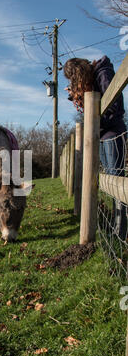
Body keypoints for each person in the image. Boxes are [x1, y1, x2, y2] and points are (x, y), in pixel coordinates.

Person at [63, 55, 127, 241]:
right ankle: (118, 225)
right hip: (101, 134)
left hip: (112, 133)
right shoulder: (93, 80)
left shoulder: (103, 74)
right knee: (108, 179)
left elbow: (115, 107)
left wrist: (95, 120)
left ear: (81, 72)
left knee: (117, 178)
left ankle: (122, 228)